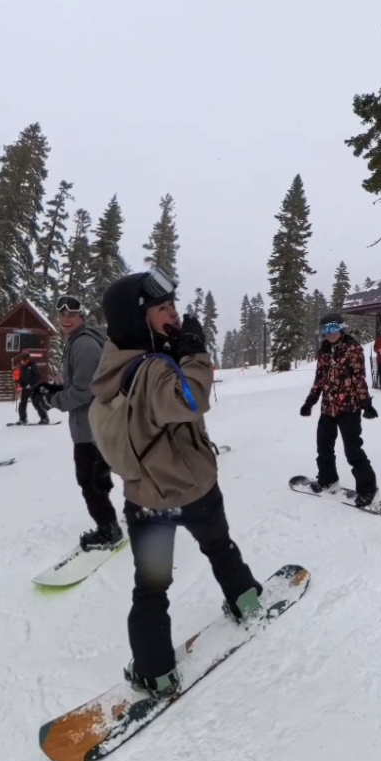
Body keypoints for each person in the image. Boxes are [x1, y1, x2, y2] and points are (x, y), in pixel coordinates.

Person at [90, 267, 264, 696]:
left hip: (146, 499)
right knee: (218, 547)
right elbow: (192, 398)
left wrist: (176, 346)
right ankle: (245, 601)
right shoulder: (151, 369)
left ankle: (155, 670)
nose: (175, 315)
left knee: (151, 587)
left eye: (173, 305)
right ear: (137, 319)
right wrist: (195, 354)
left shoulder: (115, 363)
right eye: (162, 309)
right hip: (192, 490)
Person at [47, 295, 124, 550]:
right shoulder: (78, 342)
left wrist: (53, 399)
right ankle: (141, 509)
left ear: (82, 317)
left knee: (89, 481)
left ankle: (109, 530)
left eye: (71, 314)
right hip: (93, 425)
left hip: (91, 428)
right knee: (99, 478)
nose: (65, 319)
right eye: (62, 315)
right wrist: (55, 388)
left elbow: (85, 390)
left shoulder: (83, 345)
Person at [300, 313, 378, 505]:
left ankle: (368, 489)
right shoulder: (324, 351)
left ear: (341, 328)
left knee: (353, 450)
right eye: (326, 330)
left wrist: (366, 404)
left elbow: (359, 378)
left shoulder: (353, 349)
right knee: (323, 447)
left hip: (349, 408)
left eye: (333, 328)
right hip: (328, 408)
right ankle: (327, 479)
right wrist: (310, 402)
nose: (330, 333)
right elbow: (319, 380)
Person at [17, 352, 51, 425]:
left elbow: (39, 377)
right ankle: (23, 419)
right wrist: (21, 384)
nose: (22, 362)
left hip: (34, 388)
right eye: (22, 360)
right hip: (26, 388)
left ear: (27, 360)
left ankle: (44, 418)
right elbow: (21, 378)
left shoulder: (32, 366)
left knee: (36, 403)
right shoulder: (22, 367)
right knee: (22, 403)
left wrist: (31, 384)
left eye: (24, 360)